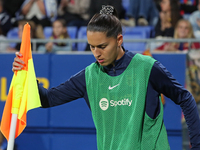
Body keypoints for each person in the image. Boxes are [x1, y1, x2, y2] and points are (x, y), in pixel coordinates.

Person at [12, 5, 200, 149]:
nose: (96, 53)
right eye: (92, 47)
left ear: (119, 40)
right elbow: (46, 99)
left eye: (102, 46)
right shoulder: (89, 76)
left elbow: (185, 97)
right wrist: (26, 74)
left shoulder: (146, 67)